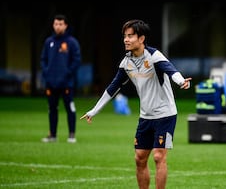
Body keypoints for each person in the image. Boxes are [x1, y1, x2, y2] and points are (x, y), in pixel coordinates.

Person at [80, 19, 192, 189]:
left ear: (141, 38)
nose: (126, 39)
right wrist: (94, 110)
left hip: (165, 115)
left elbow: (171, 70)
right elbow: (113, 87)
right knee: (139, 158)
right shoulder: (126, 63)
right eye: (125, 36)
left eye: (130, 36)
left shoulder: (154, 56)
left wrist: (181, 81)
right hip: (145, 116)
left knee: (158, 157)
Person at [40, 14, 82, 143]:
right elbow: (43, 59)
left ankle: (71, 135)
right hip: (51, 83)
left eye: (60, 24)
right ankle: (52, 135)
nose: (58, 26)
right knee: (52, 109)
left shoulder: (71, 42)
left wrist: (67, 73)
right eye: (56, 24)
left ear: (65, 25)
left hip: (66, 83)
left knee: (70, 108)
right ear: (53, 25)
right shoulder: (49, 42)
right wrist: (47, 73)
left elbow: (76, 60)